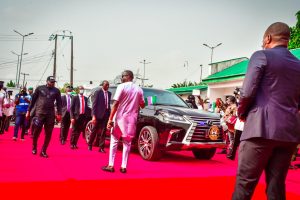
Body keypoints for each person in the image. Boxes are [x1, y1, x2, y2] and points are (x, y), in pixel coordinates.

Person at [232, 22, 300, 200]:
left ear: (268, 38)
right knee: (277, 186)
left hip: (259, 129)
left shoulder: (261, 55)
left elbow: (247, 92)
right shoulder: (298, 65)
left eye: (263, 41)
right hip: (288, 134)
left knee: (244, 184)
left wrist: (242, 113)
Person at [102, 70, 145, 173]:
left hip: (120, 118)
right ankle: (123, 167)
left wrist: (110, 119)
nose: (122, 78)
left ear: (129, 76)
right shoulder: (139, 89)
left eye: (123, 76)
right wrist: (147, 100)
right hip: (131, 120)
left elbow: (116, 104)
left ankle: (111, 165)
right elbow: (142, 105)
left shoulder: (121, 86)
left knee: (114, 140)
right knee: (127, 143)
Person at [26, 76, 62, 158]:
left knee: (49, 133)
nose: (52, 83)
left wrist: (59, 114)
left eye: (53, 82)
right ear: (47, 81)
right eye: (51, 81)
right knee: (36, 132)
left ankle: (43, 150)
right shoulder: (39, 88)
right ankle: (34, 147)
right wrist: (28, 111)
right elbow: (33, 101)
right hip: (40, 113)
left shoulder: (56, 91)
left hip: (50, 115)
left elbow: (59, 103)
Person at [88, 80, 111, 152]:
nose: (107, 86)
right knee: (94, 130)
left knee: (103, 131)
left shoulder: (109, 93)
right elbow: (94, 105)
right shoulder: (98, 92)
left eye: (108, 85)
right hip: (98, 115)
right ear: (102, 85)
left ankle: (101, 147)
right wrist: (93, 116)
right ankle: (90, 144)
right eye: (106, 85)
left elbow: (108, 104)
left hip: (106, 114)